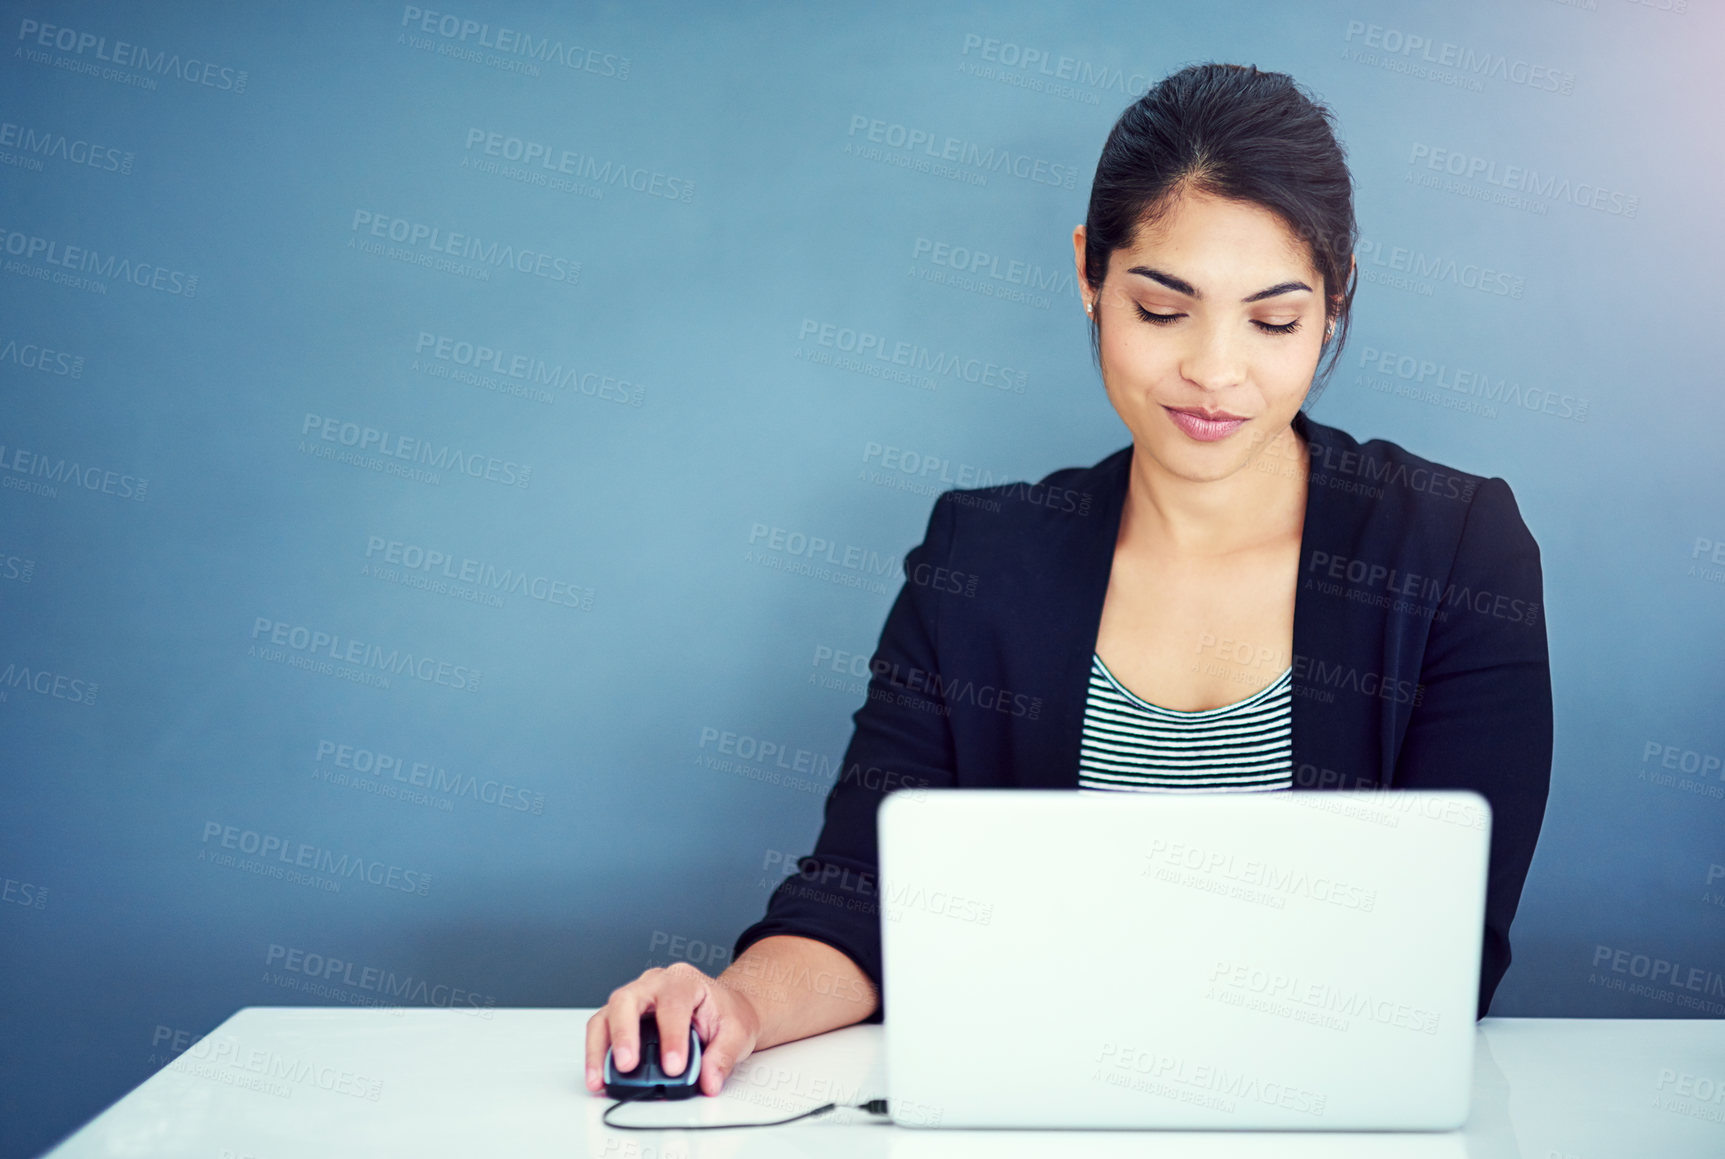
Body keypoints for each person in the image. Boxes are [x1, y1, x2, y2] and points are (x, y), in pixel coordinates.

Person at [585, 61, 1552, 1099]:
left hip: (1326, 1115)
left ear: (1336, 299)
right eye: (1162, 308)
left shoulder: (1454, 550)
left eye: (1272, 320)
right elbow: (860, 901)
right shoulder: (979, 558)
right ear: (1091, 271)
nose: (1216, 371)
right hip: (1042, 1113)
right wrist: (736, 1006)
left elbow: (1447, 958)